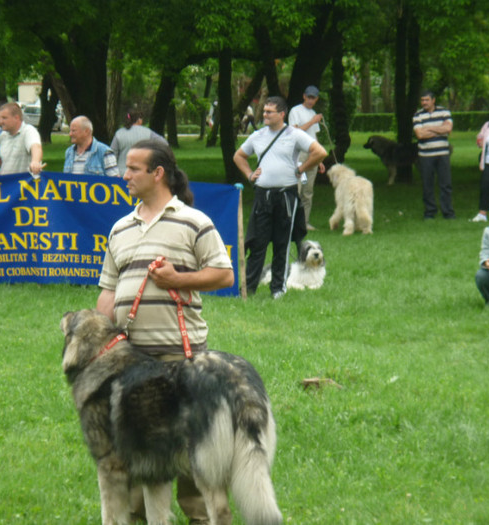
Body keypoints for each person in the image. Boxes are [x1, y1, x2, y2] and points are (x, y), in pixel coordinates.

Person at [97, 139, 234, 524]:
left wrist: (179, 277)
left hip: (182, 356)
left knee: (191, 446)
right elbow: (108, 290)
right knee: (138, 444)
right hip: (131, 359)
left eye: (133, 169)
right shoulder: (120, 227)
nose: (124, 175)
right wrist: (99, 343)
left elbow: (225, 274)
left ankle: (201, 516)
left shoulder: (194, 221)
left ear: (158, 173)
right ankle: (142, 516)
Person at [233, 95, 327, 299]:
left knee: (281, 244)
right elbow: (238, 156)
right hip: (262, 196)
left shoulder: (294, 135)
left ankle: (278, 289)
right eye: (264, 111)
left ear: (282, 114)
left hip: (286, 196)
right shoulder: (258, 136)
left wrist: (301, 168)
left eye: (269, 111)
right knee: (257, 244)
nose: (264, 114)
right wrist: (250, 174)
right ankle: (248, 289)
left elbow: (319, 152)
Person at [412, 90, 456, 220]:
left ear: (433, 100)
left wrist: (428, 128)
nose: (424, 103)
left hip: (442, 154)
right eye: (422, 100)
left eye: (427, 100)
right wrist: (439, 130)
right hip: (425, 155)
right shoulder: (417, 115)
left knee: (446, 184)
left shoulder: (444, 112)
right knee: (427, 184)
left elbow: (448, 129)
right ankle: (430, 212)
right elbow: (419, 135)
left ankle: (448, 212)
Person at [289, 85, 327, 229]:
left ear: (316, 99)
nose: (311, 100)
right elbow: (295, 132)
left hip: (312, 153)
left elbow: (314, 137)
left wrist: (319, 159)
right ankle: (292, 222)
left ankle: (304, 222)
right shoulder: (295, 111)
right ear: (304, 96)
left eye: (313, 98)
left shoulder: (313, 112)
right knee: (296, 189)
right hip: (299, 153)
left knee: (308, 190)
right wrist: (312, 121)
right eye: (309, 97)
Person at [110, 109, 167, 174]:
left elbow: (112, 154)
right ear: (139, 120)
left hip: (122, 173)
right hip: (142, 173)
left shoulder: (119, 133)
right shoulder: (147, 132)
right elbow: (164, 143)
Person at [0, 102, 44, 176]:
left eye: (4, 118)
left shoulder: (28, 131)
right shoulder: (2, 136)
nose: (1, 121)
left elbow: (36, 147)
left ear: (16, 118)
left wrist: (35, 162)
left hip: (24, 185)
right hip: (6, 184)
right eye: (0, 118)